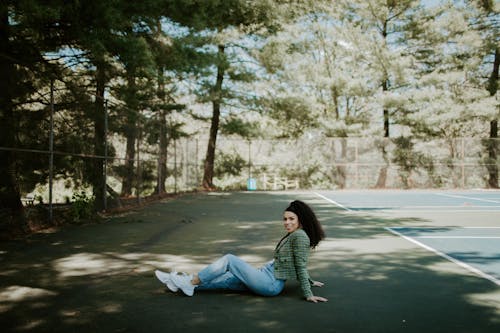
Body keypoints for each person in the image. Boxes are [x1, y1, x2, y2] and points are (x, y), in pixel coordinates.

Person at [154, 200, 328, 303]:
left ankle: (189, 283)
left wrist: (308, 293)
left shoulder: (300, 237)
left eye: (291, 219)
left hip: (269, 284)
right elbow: (297, 262)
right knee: (225, 279)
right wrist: (311, 280)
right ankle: (178, 282)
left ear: (301, 219)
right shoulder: (296, 234)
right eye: (285, 219)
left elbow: (300, 264)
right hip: (264, 274)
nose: (286, 222)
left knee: (229, 260)